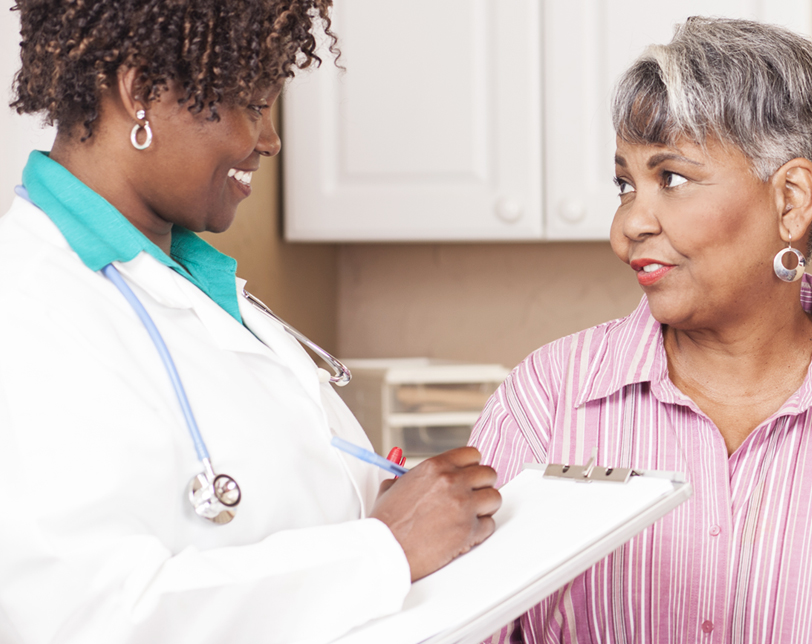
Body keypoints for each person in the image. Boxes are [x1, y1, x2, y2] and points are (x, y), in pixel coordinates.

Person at [470, 16, 812, 643]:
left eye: (671, 178)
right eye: (625, 184)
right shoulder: (547, 401)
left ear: (791, 200)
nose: (626, 228)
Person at [0, 1, 500, 642]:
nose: (269, 140)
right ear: (139, 94)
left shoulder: (189, 285)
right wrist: (383, 548)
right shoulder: (27, 307)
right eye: (253, 105)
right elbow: (86, 619)